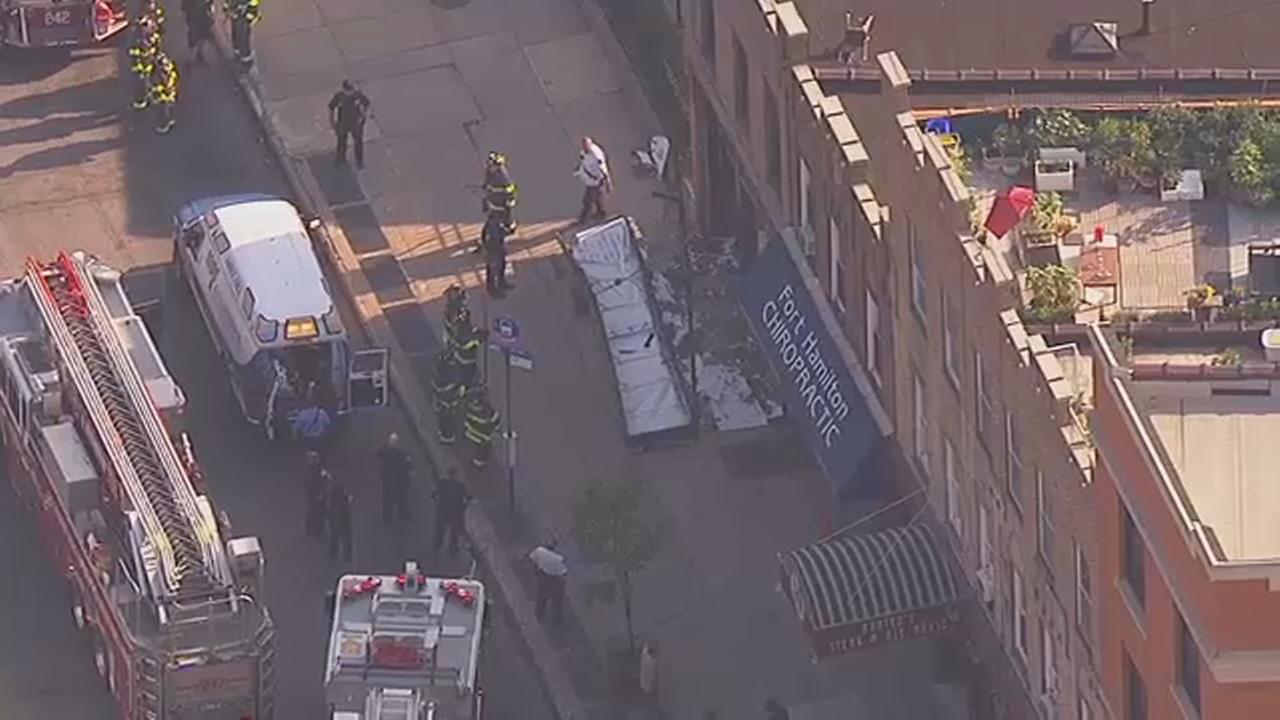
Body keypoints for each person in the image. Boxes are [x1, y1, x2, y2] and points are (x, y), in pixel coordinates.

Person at [328, 80, 371, 169]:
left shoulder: (358, 96)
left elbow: (367, 103)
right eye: (349, 90)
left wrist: (363, 115)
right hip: (343, 123)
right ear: (344, 90)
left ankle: (359, 161)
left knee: (358, 142)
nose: (351, 92)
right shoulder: (339, 97)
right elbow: (331, 107)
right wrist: (331, 121)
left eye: (352, 90)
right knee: (341, 142)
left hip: (355, 124)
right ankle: (340, 159)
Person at [377, 432, 413, 528]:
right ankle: (401, 516)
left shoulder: (386, 451)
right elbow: (406, 465)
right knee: (400, 499)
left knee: (388, 500)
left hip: (388, 480)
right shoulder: (400, 453)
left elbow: (379, 454)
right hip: (398, 481)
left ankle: (387, 519)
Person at [431, 470, 471, 556]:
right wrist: (463, 507)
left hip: (443, 511)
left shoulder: (441, 484)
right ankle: (452, 549)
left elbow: (433, 495)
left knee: (440, 531)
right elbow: (468, 498)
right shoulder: (460, 486)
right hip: (455, 513)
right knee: (454, 532)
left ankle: (437, 547)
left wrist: (436, 505)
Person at [528, 541, 567, 624]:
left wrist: (536, 569)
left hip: (544, 577)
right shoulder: (559, 558)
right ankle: (557, 621)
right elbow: (564, 571)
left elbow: (531, 559)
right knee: (557, 602)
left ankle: (538, 616)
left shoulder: (540, 551)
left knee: (542, 597)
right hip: (558, 579)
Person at [575, 136, 611, 224]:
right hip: (588, 178)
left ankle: (583, 219)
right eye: (583, 146)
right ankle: (601, 212)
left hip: (594, 181)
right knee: (598, 197)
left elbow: (604, 169)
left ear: (590, 145)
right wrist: (578, 168)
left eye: (586, 146)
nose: (584, 148)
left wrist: (608, 183)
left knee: (587, 200)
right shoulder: (584, 151)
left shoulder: (596, 156)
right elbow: (582, 159)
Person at [430, 351, 463, 444]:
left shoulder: (438, 369)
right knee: (447, 417)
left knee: (444, 417)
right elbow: (454, 385)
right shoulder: (449, 372)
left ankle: (444, 432)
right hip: (447, 399)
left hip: (442, 399)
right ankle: (446, 433)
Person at [463, 386, 499, 468]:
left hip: (477, 434)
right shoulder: (486, 409)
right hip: (482, 435)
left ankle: (479, 462)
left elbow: (469, 419)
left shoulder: (472, 407)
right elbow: (494, 417)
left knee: (481, 447)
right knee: (483, 447)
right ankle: (479, 462)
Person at [482, 151, 518, 230]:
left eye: (493, 165)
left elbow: (510, 187)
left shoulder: (503, 174)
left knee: (508, 209)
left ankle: (509, 224)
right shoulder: (488, 171)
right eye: (490, 165)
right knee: (485, 201)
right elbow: (486, 182)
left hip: (503, 198)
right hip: (492, 197)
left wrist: (511, 196)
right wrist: (485, 186)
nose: (491, 167)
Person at [482, 214, 513, 297]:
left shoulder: (497, 225)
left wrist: (510, 230)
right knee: (493, 270)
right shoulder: (491, 228)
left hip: (499, 250)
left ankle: (501, 282)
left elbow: (504, 232)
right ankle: (492, 290)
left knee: (501, 266)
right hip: (493, 251)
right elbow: (496, 236)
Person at [149, 52, 179, 134]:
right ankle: (167, 121)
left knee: (163, 110)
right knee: (166, 110)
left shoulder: (160, 73)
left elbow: (156, 84)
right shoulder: (169, 70)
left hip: (164, 97)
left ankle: (165, 122)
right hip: (167, 96)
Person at [303, 451, 330, 539]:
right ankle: (314, 530)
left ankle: (313, 529)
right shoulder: (310, 474)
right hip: (316, 495)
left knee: (315, 511)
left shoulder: (315, 471)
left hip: (318, 494)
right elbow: (312, 485)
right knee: (316, 512)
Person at [225, 0, 260, 65]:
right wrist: (227, 9)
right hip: (236, 13)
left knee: (242, 38)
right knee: (236, 35)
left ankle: (246, 62)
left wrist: (249, 13)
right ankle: (238, 54)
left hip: (244, 15)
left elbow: (254, 2)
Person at [326, 480, 354, 562]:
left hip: (335, 521)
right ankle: (347, 554)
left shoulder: (332, 501)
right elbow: (350, 500)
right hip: (344, 520)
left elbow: (328, 512)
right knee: (346, 537)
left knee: (335, 537)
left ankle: (334, 553)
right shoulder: (343, 500)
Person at [181, 0, 214, 65]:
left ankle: (199, 52)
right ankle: (192, 55)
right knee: (193, 31)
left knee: (203, 31)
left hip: (203, 10)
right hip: (193, 10)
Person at [452, 321, 483, 388]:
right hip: (465, 359)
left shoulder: (460, 331)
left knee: (468, 373)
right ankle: (466, 387)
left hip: (466, 359)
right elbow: (464, 345)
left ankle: (470, 385)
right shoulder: (459, 335)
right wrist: (476, 342)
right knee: (467, 375)